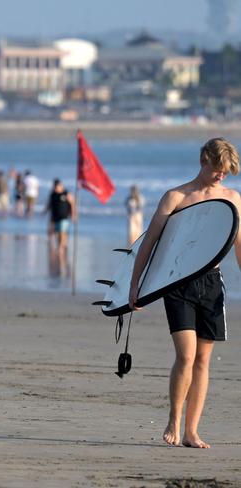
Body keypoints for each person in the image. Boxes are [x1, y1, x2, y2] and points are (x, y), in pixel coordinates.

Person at [129, 137, 241, 448]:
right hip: (178, 283)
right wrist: (136, 284)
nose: (222, 175)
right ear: (204, 159)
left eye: (227, 171)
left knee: (203, 360)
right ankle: (174, 420)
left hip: (212, 284)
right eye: (218, 168)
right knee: (187, 355)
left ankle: (192, 431)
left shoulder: (233, 198)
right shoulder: (176, 197)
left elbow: (239, 247)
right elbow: (149, 242)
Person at [45, 178, 75, 275]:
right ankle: (61, 247)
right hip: (55, 217)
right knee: (57, 233)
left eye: (57, 186)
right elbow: (49, 205)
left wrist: (73, 214)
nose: (55, 188)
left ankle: (61, 249)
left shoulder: (66, 193)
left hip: (64, 217)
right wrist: (44, 212)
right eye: (54, 186)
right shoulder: (53, 194)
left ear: (60, 186)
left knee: (62, 233)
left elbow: (72, 204)